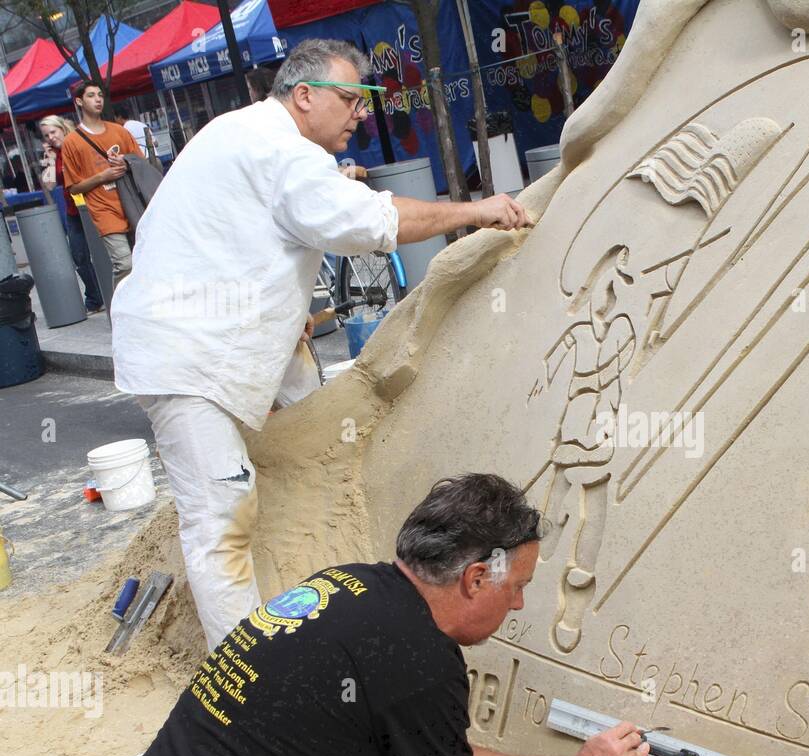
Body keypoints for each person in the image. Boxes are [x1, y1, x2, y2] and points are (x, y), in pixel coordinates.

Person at [110, 39, 533, 652]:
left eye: (365, 100)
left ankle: (306, 584)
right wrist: (475, 210)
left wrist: (283, 314)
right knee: (221, 513)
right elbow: (369, 225)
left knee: (309, 416)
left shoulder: (242, 134)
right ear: (303, 96)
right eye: (348, 98)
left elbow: (202, 233)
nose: (360, 113)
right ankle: (243, 676)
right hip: (187, 354)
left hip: (201, 335)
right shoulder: (280, 148)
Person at [100, 473, 654, 756]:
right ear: (477, 578)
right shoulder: (419, 660)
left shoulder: (353, 586)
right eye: (518, 588)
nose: (518, 607)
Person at [60, 80, 141, 287]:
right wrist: (102, 177)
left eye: (100, 95)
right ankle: (121, 312)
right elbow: (73, 188)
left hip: (131, 203)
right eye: (91, 95)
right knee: (125, 263)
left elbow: (141, 164)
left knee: (144, 262)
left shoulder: (120, 131)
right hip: (104, 210)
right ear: (79, 101)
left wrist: (125, 162)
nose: (97, 99)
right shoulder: (72, 142)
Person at [37, 116, 105, 313]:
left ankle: (107, 293)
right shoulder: (54, 155)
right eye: (46, 135)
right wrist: (48, 160)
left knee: (103, 252)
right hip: (73, 211)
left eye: (53, 132)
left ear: (62, 128)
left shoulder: (76, 143)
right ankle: (95, 297)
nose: (50, 137)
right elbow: (49, 184)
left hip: (93, 205)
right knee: (79, 255)